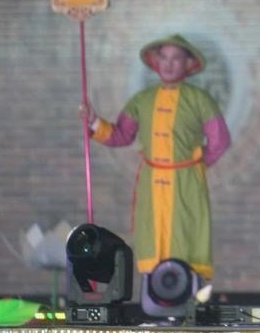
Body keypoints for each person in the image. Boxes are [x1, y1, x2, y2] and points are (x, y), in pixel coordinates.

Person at [83, 34, 231, 280]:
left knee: (185, 243)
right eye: (163, 58)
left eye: (176, 58)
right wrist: (94, 121)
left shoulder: (200, 99)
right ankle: (155, 307)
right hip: (151, 183)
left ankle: (187, 307)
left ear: (187, 64)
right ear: (156, 62)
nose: (169, 64)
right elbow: (121, 135)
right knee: (152, 242)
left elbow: (220, 140)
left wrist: (197, 164)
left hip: (186, 183)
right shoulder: (142, 100)